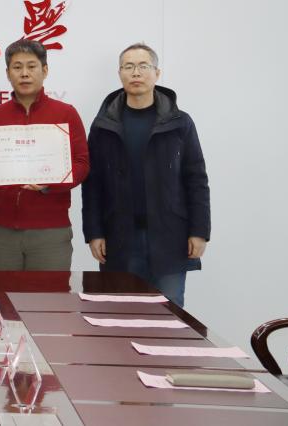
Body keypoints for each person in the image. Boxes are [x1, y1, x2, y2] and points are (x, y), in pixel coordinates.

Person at [82, 43, 210, 307]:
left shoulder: (180, 122)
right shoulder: (104, 124)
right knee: (121, 311)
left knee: (170, 311)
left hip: (170, 235)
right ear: (120, 73)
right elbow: (93, 184)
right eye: (128, 67)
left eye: (143, 66)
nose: (136, 73)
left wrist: (199, 231)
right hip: (119, 236)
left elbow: (196, 179)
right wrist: (94, 232)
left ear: (157, 73)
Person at [0, 39, 89, 271]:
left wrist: (49, 182)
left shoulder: (66, 113)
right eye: (17, 67)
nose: (24, 73)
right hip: (0, 229)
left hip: (50, 231)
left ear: (45, 70)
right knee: (1, 293)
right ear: (8, 73)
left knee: (50, 294)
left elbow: (82, 164)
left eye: (31, 66)